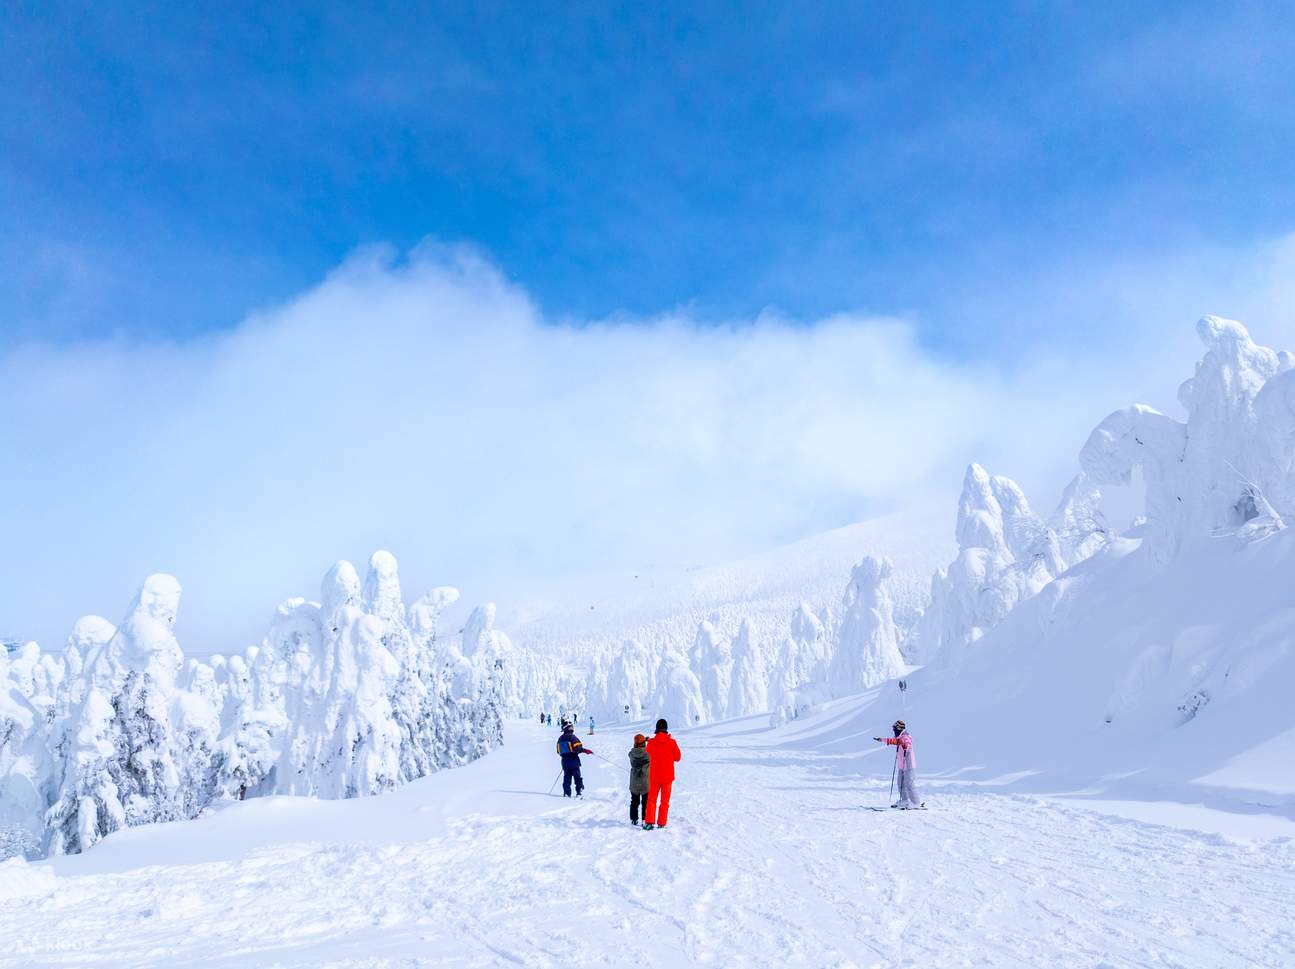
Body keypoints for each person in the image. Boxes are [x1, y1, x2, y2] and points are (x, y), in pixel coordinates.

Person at [874, 719, 923, 809]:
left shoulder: (905, 737)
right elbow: (893, 741)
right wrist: (881, 740)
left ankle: (916, 803)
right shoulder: (899, 738)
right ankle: (904, 801)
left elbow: (908, 744)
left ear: (899, 729)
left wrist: (906, 745)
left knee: (909, 783)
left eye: (895, 729)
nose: (894, 731)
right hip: (902, 766)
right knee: (900, 783)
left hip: (908, 765)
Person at [643, 718, 681, 830]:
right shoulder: (672, 742)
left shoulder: (651, 743)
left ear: (657, 729)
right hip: (667, 778)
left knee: (651, 801)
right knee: (664, 802)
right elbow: (678, 758)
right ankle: (661, 823)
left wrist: (650, 742)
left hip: (654, 777)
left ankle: (649, 823)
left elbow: (647, 755)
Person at [556, 721, 593, 797]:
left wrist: (565, 756)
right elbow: (578, 748)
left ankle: (566, 793)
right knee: (577, 777)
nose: (572, 728)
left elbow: (558, 751)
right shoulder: (572, 737)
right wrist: (585, 751)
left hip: (565, 762)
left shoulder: (560, 738)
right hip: (574, 761)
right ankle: (579, 792)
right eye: (571, 727)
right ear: (568, 728)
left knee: (567, 778)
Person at [628, 733, 650, 826]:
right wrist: (646, 741)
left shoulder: (631, 753)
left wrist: (643, 740)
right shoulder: (648, 753)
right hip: (645, 781)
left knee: (634, 801)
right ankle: (644, 819)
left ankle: (634, 819)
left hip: (634, 781)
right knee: (645, 802)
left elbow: (636, 749)